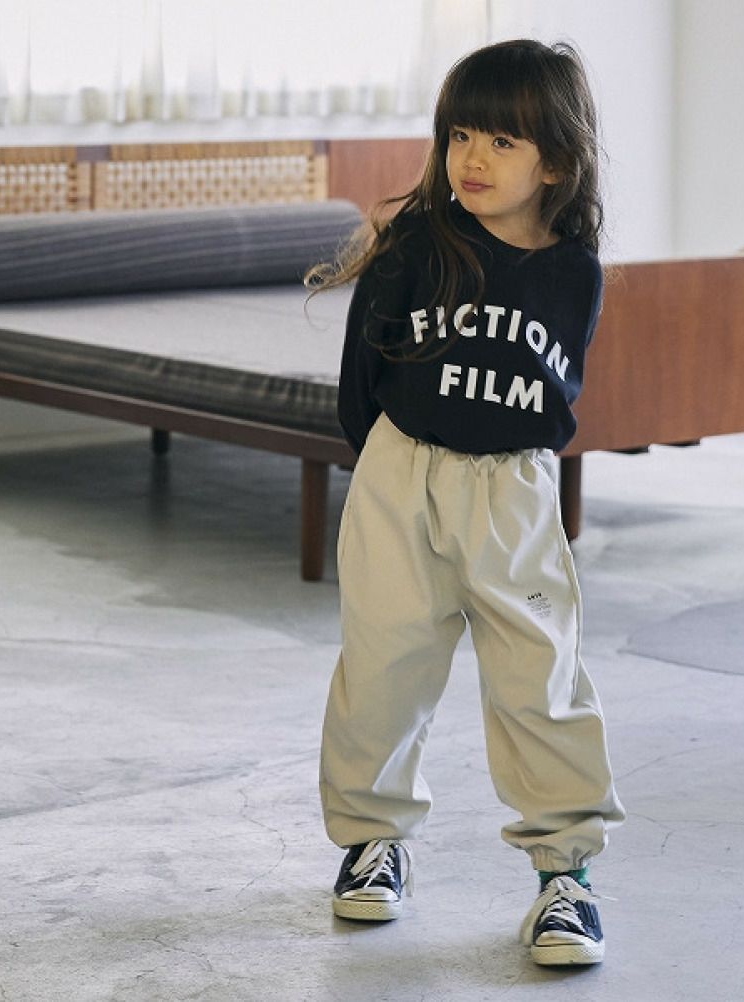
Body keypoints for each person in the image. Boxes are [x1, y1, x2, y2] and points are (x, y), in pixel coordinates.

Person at [307, 38, 626, 967]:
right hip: (403, 475)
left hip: (513, 488)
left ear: (556, 163)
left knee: (540, 678)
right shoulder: (416, 245)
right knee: (383, 668)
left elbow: (556, 393)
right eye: (460, 136)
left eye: (501, 141)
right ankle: (373, 843)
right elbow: (359, 382)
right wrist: (391, 472)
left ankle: (564, 876)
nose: (472, 159)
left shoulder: (574, 270)